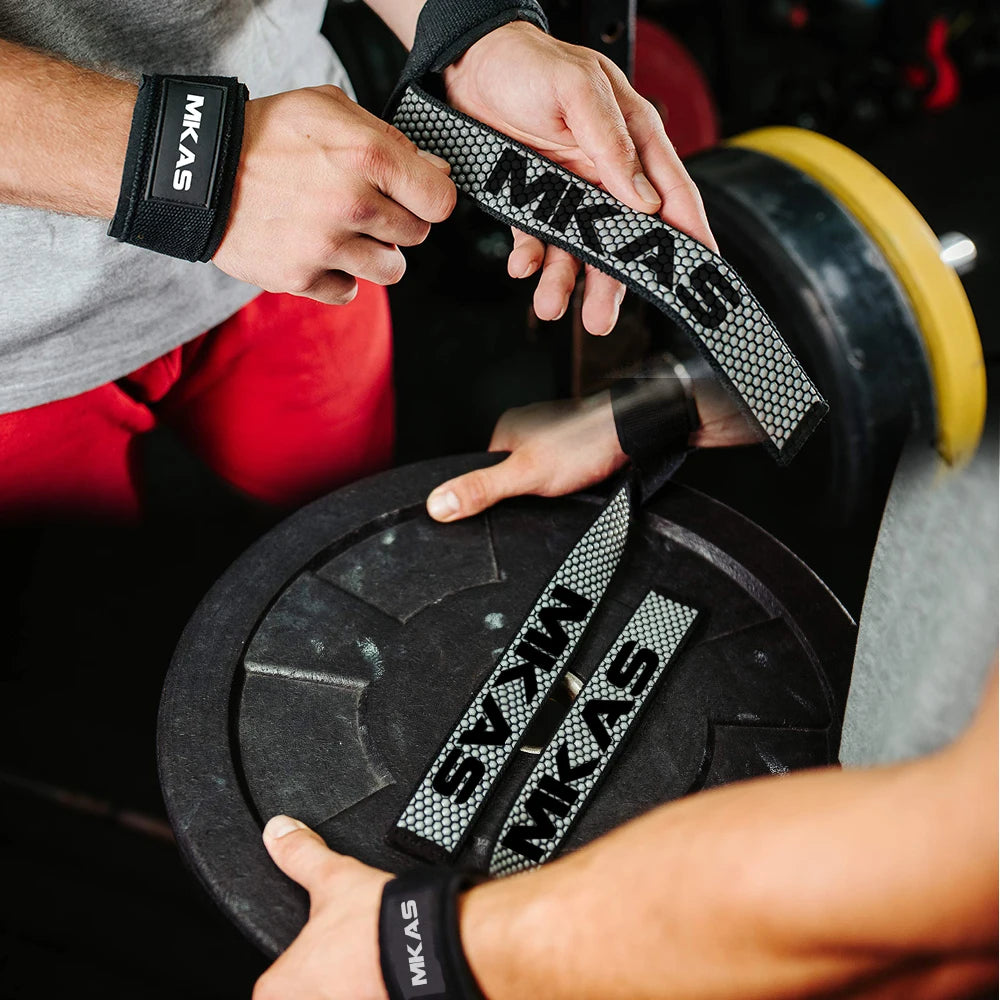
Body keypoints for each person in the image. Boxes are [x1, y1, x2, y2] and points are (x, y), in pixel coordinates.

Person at [0, 0, 714, 519]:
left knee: (339, 535)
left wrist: (471, 28)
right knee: (79, 641)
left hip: (320, 217)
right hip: (21, 344)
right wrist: (205, 166)